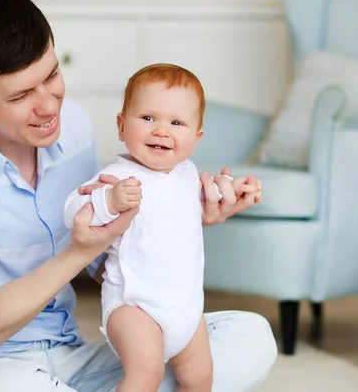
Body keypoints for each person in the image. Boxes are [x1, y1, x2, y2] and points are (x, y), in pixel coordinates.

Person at [0, 0, 277, 391]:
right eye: (21, 96)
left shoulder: (72, 126)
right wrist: (80, 249)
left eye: (52, 75)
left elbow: (108, 262)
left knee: (247, 337)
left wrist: (178, 218)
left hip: (70, 359)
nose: (48, 106)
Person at [63, 63, 258, 392]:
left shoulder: (187, 174)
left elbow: (201, 199)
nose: (161, 131)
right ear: (122, 126)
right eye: (148, 118)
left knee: (200, 379)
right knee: (145, 375)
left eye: (177, 123)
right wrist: (109, 201)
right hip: (135, 306)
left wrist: (235, 188)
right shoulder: (117, 177)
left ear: (195, 139)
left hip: (185, 309)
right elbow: (73, 211)